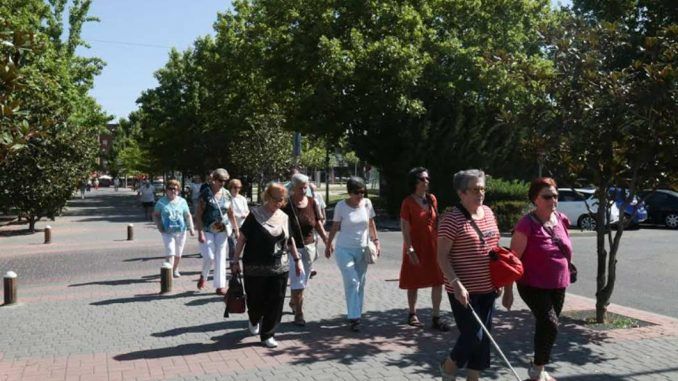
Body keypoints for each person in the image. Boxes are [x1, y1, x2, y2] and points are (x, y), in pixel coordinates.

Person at [502, 177, 572, 381]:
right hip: (532, 284)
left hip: (559, 283)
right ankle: (537, 368)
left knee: (548, 326)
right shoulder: (526, 224)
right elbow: (512, 260)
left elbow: (566, 247)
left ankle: (538, 368)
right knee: (550, 323)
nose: (553, 200)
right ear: (535, 199)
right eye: (547, 196)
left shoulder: (562, 219)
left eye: (556, 196)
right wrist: (508, 292)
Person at [437, 169, 500, 381]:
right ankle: (449, 365)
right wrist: (456, 284)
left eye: (482, 188)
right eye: (475, 189)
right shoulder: (451, 219)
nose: (480, 193)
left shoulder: (489, 213)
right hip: (463, 290)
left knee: (484, 338)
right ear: (461, 193)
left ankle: (473, 377)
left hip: (488, 287)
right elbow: (442, 257)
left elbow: (494, 248)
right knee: (474, 335)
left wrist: (499, 278)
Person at [231, 183, 303, 348]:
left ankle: (268, 334)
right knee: (256, 300)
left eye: (282, 200)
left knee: (276, 301)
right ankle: (254, 318)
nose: (279, 202)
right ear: (268, 197)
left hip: (279, 267)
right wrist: (235, 261)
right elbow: (242, 239)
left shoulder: (284, 217)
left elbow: (290, 240)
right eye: (276, 199)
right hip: (254, 267)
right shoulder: (254, 215)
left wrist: (297, 260)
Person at [325, 177, 381, 332]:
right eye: (357, 192)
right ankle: (354, 317)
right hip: (344, 249)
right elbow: (335, 226)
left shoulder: (367, 204)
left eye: (363, 192)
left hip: (362, 249)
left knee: (360, 282)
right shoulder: (341, 206)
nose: (361, 195)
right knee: (352, 281)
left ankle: (356, 313)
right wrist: (329, 245)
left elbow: (371, 223)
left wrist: (376, 241)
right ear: (349, 192)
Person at [399, 167, 450, 331]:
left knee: (438, 280)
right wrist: (410, 249)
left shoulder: (432, 199)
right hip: (415, 246)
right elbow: (405, 228)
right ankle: (412, 313)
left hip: (433, 246)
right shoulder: (407, 202)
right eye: (422, 179)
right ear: (415, 181)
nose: (426, 181)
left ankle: (436, 317)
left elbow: (437, 223)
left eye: (427, 178)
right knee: (413, 281)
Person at [282, 174, 328, 326]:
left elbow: (317, 224)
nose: (303, 190)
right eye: (300, 187)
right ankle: (299, 314)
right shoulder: (286, 205)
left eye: (305, 187)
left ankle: (294, 301)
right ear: (293, 188)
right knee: (298, 282)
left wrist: (327, 240)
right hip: (291, 248)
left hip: (309, 248)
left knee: (303, 281)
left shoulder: (312, 202)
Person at [194, 168, 238, 295]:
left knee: (220, 257)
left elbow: (230, 213)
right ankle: (203, 275)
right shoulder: (205, 194)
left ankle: (220, 286)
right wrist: (200, 232)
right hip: (207, 229)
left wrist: (236, 229)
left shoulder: (227, 194)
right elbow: (198, 214)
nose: (222, 183)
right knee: (209, 256)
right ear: (213, 180)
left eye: (225, 181)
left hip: (222, 230)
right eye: (220, 180)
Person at [153, 179, 195, 277]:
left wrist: (191, 228)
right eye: (170, 189)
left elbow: (187, 215)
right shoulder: (161, 202)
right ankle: (168, 274)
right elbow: (155, 215)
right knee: (170, 252)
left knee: (178, 254)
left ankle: (175, 269)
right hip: (167, 231)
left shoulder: (182, 201)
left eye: (175, 189)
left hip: (181, 231)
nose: (173, 191)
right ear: (166, 190)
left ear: (178, 190)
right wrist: (159, 225)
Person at [227, 179, 250, 261]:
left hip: (242, 225)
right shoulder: (228, 198)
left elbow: (247, 211)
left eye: (239, 187)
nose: (237, 189)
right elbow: (228, 212)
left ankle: (238, 261)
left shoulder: (242, 198)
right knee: (232, 245)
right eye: (235, 187)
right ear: (231, 187)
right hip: (231, 225)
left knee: (241, 245)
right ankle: (232, 262)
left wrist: (245, 215)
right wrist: (239, 215)